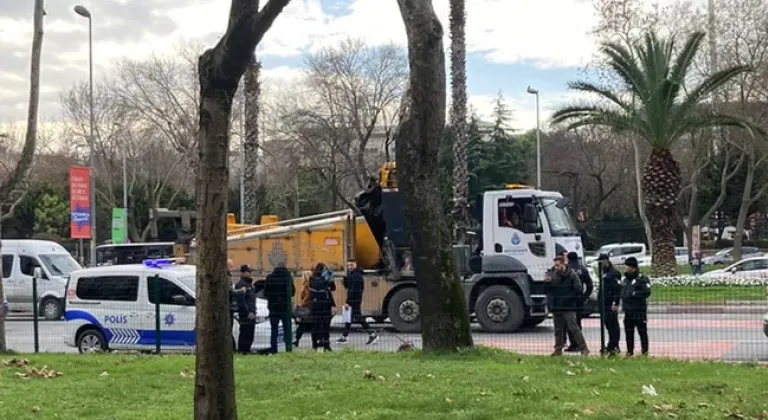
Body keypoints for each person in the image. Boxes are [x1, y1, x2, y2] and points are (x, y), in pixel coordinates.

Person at [547, 255, 589, 356]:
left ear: (563, 264)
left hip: (569, 306)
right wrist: (547, 283)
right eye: (555, 265)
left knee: (573, 327)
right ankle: (558, 349)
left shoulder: (572, 275)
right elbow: (549, 290)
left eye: (558, 265)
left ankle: (583, 348)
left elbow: (578, 290)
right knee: (558, 329)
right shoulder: (553, 275)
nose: (556, 268)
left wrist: (567, 299)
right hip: (557, 306)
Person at [338, 259, 379, 345]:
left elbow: (352, 290)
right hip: (355, 299)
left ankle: (372, 334)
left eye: (351, 265)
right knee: (349, 318)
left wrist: (347, 302)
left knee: (357, 318)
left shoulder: (356, 276)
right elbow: (348, 287)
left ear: (355, 265)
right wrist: (344, 280)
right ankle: (344, 337)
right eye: (348, 265)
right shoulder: (352, 275)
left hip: (354, 300)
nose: (349, 267)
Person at [620, 256, 651, 356]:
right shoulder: (625, 280)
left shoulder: (641, 279)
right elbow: (622, 292)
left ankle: (644, 352)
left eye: (627, 266)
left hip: (639, 311)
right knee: (629, 332)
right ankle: (629, 351)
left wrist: (633, 294)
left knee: (642, 332)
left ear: (632, 267)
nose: (625, 267)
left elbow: (646, 292)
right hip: (628, 311)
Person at [264, 262, 295, 354]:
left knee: (274, 330)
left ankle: (274, 349)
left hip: (273, 308)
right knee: (287, 329)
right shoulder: (287, 277)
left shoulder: (270, 278)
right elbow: (292, 292)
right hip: (285, 307)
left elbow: (266, 292)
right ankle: (288, 347)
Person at [565, 252, 593, 352]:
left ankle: (573, 344)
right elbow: (590, 285)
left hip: (569, 299)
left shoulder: (567, 269)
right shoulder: (583, 269)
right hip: (579, 299)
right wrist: (584, 296)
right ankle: (578, 343)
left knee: (569, 323)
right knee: (577, 323)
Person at [597, 253, 622, 355]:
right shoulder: (604, 272)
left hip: (610, 303)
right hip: (603, 303)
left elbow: (617, 289)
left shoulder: (614, 273)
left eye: (602, 261)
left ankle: (614, 345)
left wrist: (616, 302)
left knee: (613, 326)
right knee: (608, 326)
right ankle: (610, 345)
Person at [309, 263, 335, 351]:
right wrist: (326, 280)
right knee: (318, 326)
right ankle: (315, 344)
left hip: (322, 305)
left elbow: (333, 288)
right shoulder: (313, 279)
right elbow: (317, 287)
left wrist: (331, 280)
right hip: (319, 305)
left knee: (325, 326)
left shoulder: (324, 279)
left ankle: (325, 344)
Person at [234, 265, 257, 354]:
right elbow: (241, 301)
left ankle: (247, 350)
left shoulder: (249, 284)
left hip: (251, 312)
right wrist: (247, 312)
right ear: (243, 272)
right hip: (245, 313)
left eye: (250, 272)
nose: (250, 273)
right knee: (244, 333)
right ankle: (243, 350)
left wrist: (253, 311)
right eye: (248, 272)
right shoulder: (241, 284)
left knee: (250, 333)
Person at [292, 271, 313, 347]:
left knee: (302, 326)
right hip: (310, 308)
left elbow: (307, 297)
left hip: (306, 308)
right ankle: (315, 343)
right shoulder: (311, 284)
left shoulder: (306, 285)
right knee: (309, 326)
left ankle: (296, 340)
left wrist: (302, 304)